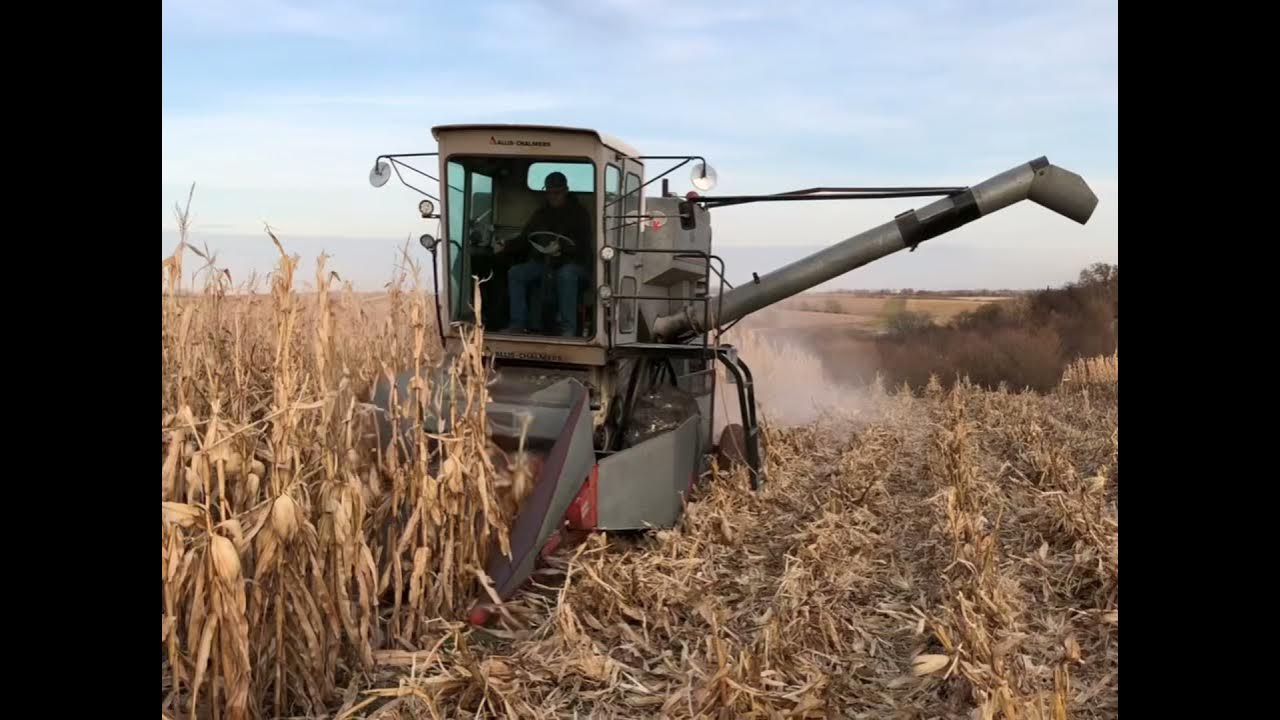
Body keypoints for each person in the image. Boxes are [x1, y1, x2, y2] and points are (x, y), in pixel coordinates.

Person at [499, 171, 593, 336]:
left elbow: (584, 245)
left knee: (566, 275)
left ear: (566, 191)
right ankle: (518, 324)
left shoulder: (579, 214)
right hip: (545, 262)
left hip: (575, 265)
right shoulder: (541, 214)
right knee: (516, 273)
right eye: (549, 192)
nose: (552, 196)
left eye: (556, 193)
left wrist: (563, 249)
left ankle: (568, 329)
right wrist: (504, 246)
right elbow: (526, 237)